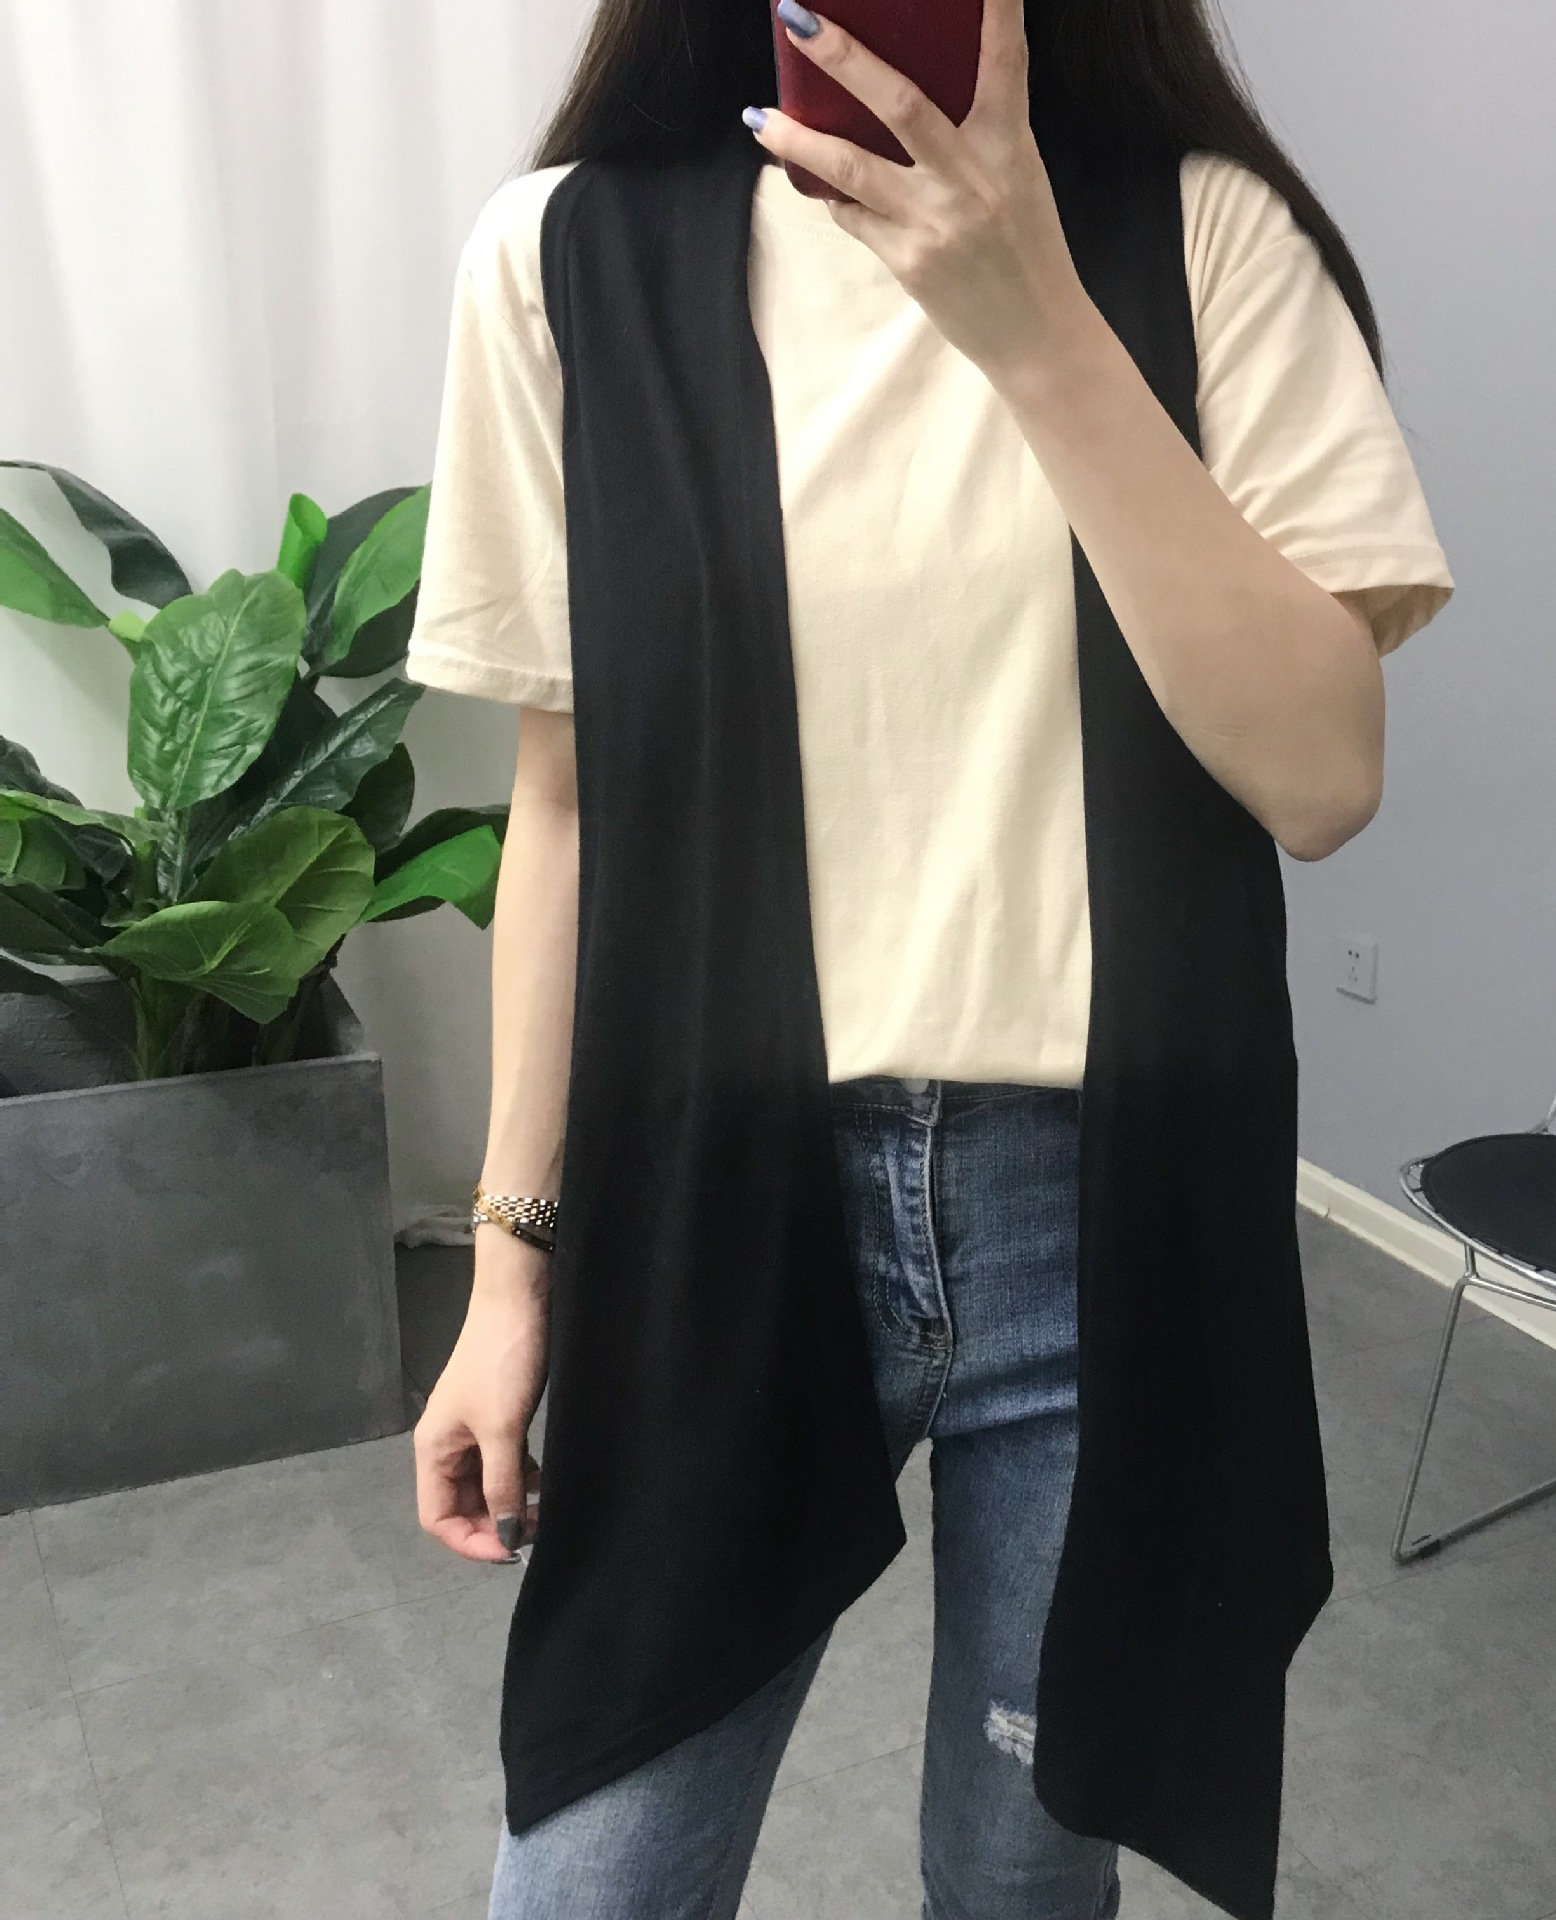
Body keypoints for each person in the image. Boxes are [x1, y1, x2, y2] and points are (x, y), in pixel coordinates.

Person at [405, 0, 1452, 1914]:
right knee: (590, 1874)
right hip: (717, 1195)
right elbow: (564, 805)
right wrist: (510, 1267)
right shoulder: (568, 257)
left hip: (1097, 1220)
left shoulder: (1205, 234)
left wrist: (1031, 318)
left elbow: (1320, 779)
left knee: (1020, 1882)